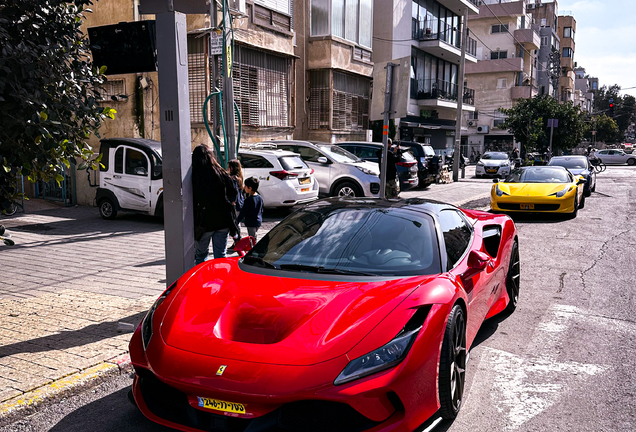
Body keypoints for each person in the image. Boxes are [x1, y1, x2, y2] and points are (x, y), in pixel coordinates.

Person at [191, 144, 237, 264]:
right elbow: (233, 192)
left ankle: (202, 281)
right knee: (221, 255)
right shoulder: (221, 173)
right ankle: (221, 279)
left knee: (200, 256)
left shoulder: (194, 176)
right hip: (223, 222)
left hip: (204, 223)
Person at [237, 176, 264, 241]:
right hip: (258, 221)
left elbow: (243, 212)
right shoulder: (259, 197)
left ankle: (253, 249)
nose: (244, 187)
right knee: (254, 235)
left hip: (251, 222)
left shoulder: (249, 200)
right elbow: (262, 209)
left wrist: (237, 221)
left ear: (250, 188)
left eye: (245, 186)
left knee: (252, 238)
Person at [227, 159, 244, 243]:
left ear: (232, 168)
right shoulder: (239, 177)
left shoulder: (232, 178)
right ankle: (237, 242)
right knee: (236, 223)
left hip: (235, 204)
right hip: (239, 203)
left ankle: (238, 241)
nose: (227, 169)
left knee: (234, 223)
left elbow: (234, 192)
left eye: (228, 167)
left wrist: (232, 201)